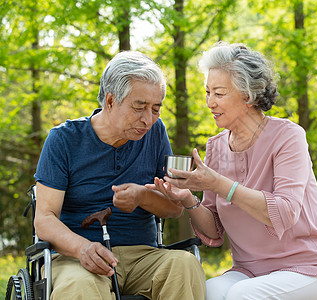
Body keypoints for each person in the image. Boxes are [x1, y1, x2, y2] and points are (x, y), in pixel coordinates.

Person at [149, 42, 317, 300]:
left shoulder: (288, 137)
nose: (210, 102)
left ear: (247, 95)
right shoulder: (216, 146)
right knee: (203, 292)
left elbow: (285, 213)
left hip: (309, 270)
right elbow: (214, 230)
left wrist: (219, 184)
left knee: (243, 296)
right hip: (250, 272)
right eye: (207, 92)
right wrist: (187, 199)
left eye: (219, 94)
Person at [34, 51, 205, 300]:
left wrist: (143, 196)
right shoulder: (64, 139)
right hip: (78, 258)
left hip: (143, 256)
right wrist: (82, 248)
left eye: (156, 109)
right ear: (111, 101)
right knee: (80, 287)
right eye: (139, 107)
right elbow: (45, 219)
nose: (148, 119)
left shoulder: (156, 133)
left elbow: (173, 209)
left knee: (184, 266)